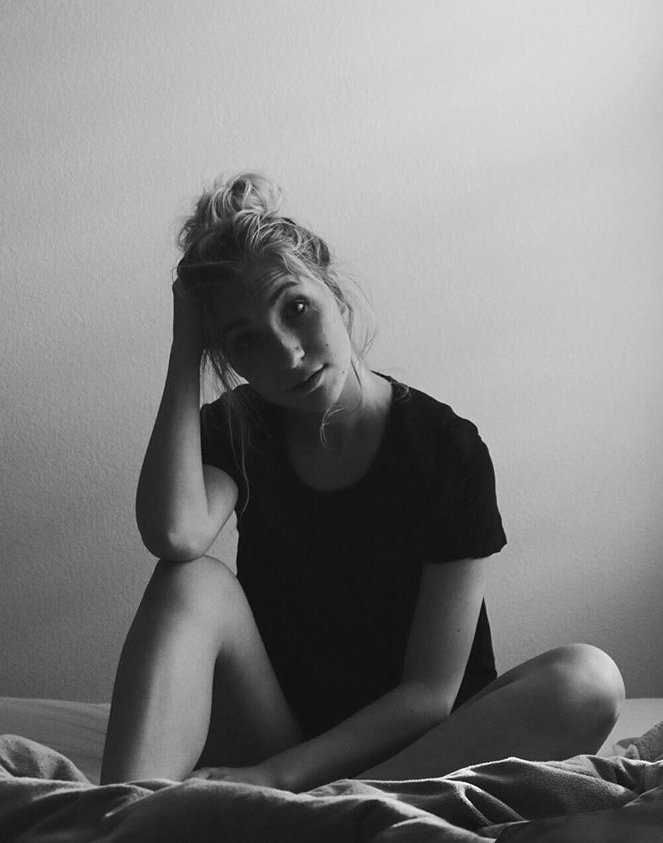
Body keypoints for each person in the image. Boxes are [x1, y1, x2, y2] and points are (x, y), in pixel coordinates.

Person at [100, 172, 625, 791]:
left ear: (334, 293)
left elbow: (429, 693)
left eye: (296, 309)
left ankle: (342, 805)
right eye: (246, 341)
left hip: (418, 756)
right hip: (287, 735)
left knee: (588, 680)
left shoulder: (444, 446)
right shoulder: (239, 428)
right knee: (188, 580)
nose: (288, 354)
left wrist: (276, 777)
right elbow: (174, 534)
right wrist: (185, 347)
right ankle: (119, 818)